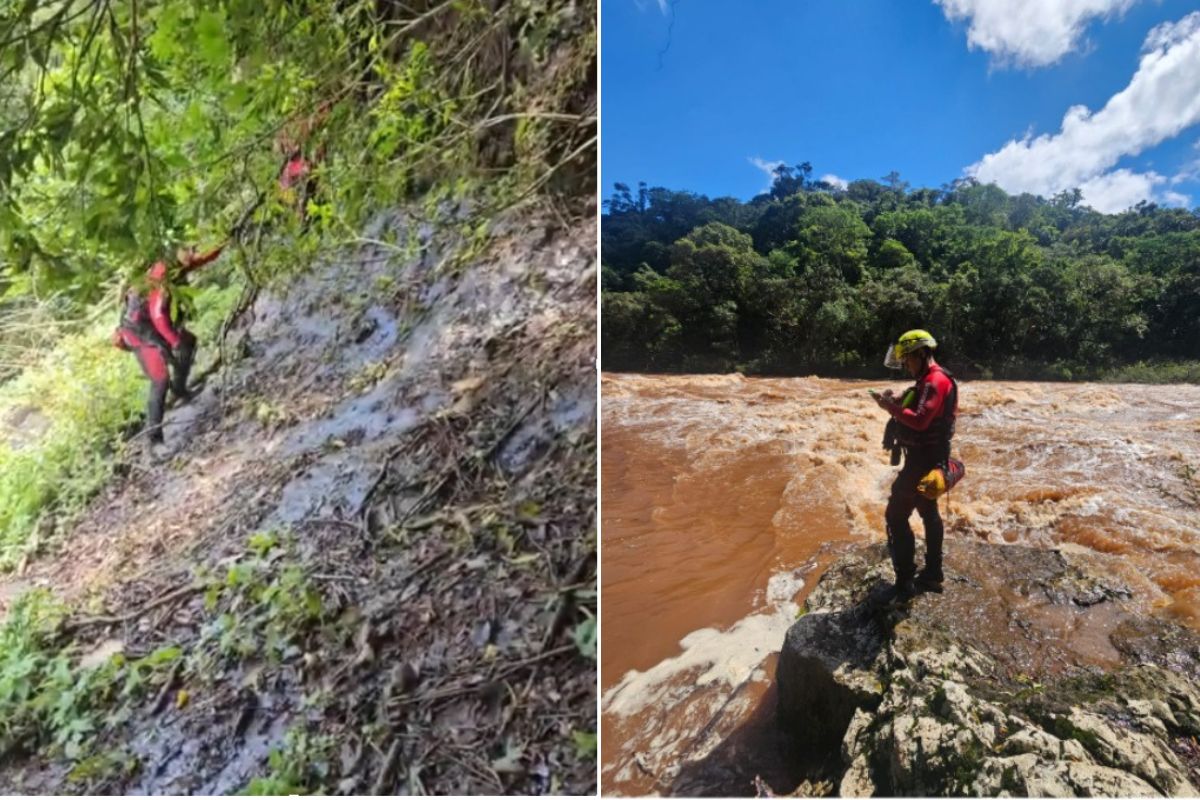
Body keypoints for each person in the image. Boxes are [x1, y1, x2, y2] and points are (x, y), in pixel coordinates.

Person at [112, 243, 225, 455]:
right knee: (160, 379)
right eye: (188, 249)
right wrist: (173, 341)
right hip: (139, 332)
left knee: (188, 343)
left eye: (194, 248)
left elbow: (204, 258)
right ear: (176, 252)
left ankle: (180, 390)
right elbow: (158, 314)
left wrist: (224, 240)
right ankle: (154, 442)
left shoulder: (179, 263)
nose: (192, 252)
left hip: (155, 325)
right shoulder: (162, 273)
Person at [872, 329, 959, 598]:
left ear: (922, 354)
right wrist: (896, 401)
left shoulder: (934, 381)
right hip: (929, 458)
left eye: (908, 359)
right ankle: (933, 573)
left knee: (895, 516)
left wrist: (889, 408)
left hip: (922, 462)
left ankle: (904, 582)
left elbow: (920, 420)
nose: (906, 366)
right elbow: (918, 406)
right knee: (928, 512)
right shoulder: (927, 381)